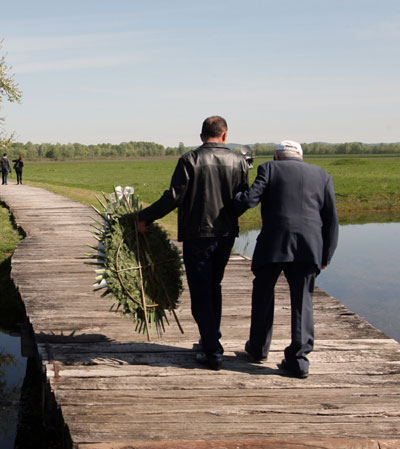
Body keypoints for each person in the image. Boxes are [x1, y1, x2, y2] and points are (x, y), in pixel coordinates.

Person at [136, 116, 249, 370]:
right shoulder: (239, 162)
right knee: (214, 287)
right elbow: (242, 199)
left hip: (197, 235)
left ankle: (212, 351)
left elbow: (174, 197)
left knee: (200, 291)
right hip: (226, 235)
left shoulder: (190, 160)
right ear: (225, 135)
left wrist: (145, 216)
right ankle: (210, 339)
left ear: (201, 136)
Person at [234, 140, 338, 378]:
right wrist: (326, 254)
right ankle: (298, 360)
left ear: (277, 156)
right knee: (303, 301)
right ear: (301, 157)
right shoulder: (322, 175)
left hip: (273, 244)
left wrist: (235, 196)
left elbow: (249, 200)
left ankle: (258, 348)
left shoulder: (269, 168)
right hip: (309, 247)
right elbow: (331, 219)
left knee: (263, 295)